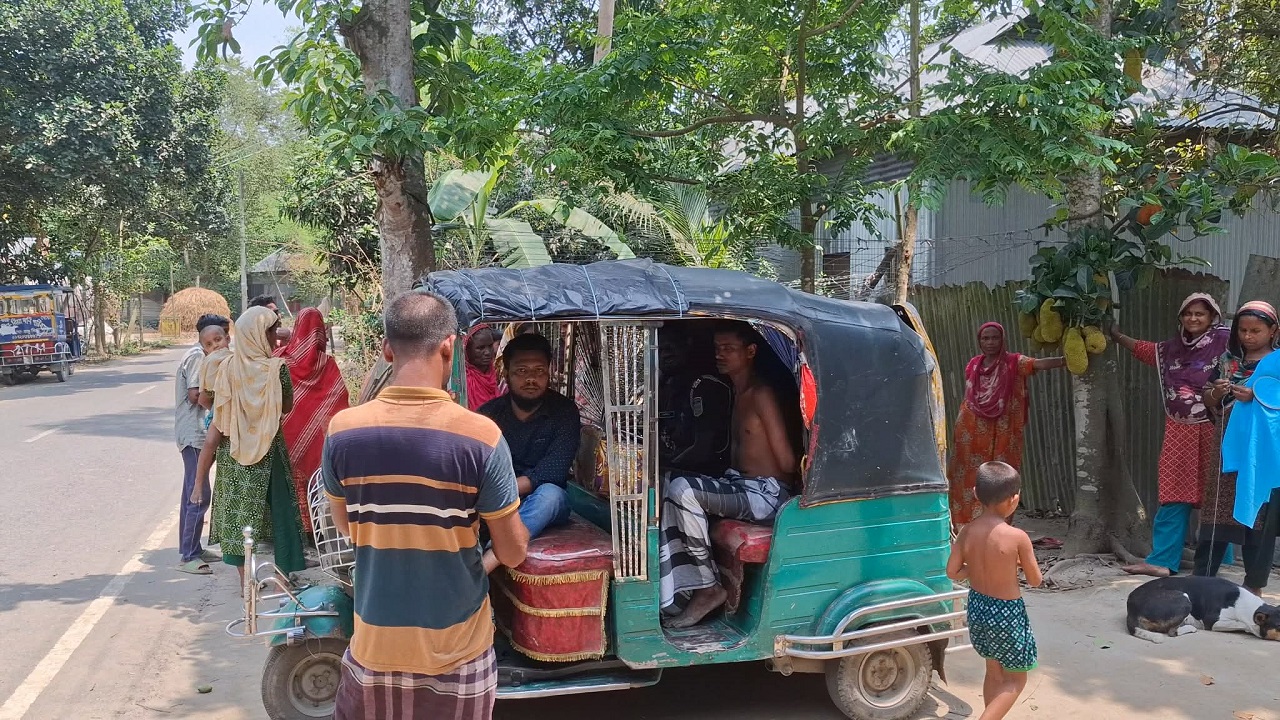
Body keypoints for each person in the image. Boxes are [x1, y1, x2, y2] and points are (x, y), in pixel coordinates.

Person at [324, 291, 528, 720]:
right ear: (450, 346)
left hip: (374, 647)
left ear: (385, 350)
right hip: (457, 652)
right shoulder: (482, 436)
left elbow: (346, 524)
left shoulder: (343, 431)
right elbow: (511, 552)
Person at [659, 321, 798, 628]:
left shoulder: (761, 394)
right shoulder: (737, 391)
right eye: (717, 349)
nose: (720, 355)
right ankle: (676, 593)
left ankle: (709, 588)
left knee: (683, 489)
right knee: (666, 482)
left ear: (750, 352)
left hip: (767, 494)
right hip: (741, 485)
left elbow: (788, 461)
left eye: (729, 349)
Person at [1111, 293, 1230, 577]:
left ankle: (1223, 562)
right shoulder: (1170, 350)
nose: (1193, 319)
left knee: (1217, 496)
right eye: (1187, 314)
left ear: (1213, 316)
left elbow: (1257, 343)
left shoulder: (1227, 341)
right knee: (1175, 493)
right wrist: (1116, 336)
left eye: (1200, 313)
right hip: (1179, 431)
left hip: (1217, 428)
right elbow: (1144, 349)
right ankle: (1162, 561)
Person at [193, 306, 306, 587]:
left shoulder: (224, 368)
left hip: (234, 453)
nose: (275, 339)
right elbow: (287, 405)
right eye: (271, 332)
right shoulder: (276, 370)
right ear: (257, 335)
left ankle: (247, 583)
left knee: (238, 513)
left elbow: (209, 400)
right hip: (269, 449)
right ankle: (283, 576)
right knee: (280, 511)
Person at [947, 461, 1043, 720]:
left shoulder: (967, 531)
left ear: (976, 494)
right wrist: (1017, 563)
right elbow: (1035, 580)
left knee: (993, 669)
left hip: (978, 609)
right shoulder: (1017, 537)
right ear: (1015, 499)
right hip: (1007, 614)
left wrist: (976, 569)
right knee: (1016, 680)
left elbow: (953, 572)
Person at [477, 333, 577, 572]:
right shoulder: (488, 415)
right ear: (506, 373)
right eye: (522, 371)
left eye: (539, 371)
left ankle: (492, 559)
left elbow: (552, 471)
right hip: (496, 500)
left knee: (551, 494)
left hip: (543, 500)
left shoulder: (564, 412)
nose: (531, 379)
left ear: (549, 372)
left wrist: (498, 491)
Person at [1199, 301, 1280, 595]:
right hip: (1226, 444)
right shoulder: (1227, 361)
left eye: (1256, 330)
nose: (1248, 336)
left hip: (1263, 450)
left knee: (1258, 512)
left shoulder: (1277, 363)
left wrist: (1256, 397)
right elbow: (1207, 397)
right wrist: (1217, 392)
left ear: (1274, 331)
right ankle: (1204, 580)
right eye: (1243, 330)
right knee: (1216, 508)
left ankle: (1253, 585)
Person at [948, 322, 1065, 527]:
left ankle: (996, 525)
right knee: (966, 474)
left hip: (1003, 430)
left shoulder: (1014, 362)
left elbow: (1039, 364)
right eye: (985, 338)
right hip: (971, 428)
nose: (990, 342)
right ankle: (964, 525)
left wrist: (1066, 360)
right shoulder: (973, 364)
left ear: (1002, 340)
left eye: (995, 338)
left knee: (1001, 475)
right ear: (980, 341)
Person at [275, 308, 349, 536]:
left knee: (291, 486)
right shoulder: (328, 364)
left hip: (286, 437)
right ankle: (320, 532)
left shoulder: (279, 359)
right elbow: (339, 402)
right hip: (320, 442)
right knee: (320, 483)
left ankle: (297, 536)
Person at [173, 322, 229, 575]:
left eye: (220, 339)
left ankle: (192, 547)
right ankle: (189, 556)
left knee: (190, 493)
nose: (217, 345)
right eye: (211, 342)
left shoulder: (201, 355)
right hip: (195, 434)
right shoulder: (198, 357)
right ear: (203, 342)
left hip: (194, 433)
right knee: (198, 493)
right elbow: (197, 395)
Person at [657, 324, 732, 477]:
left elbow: (703, 449)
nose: (664, 355)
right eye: (659, 350)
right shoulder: (667, 385)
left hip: (700, 479)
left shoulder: (704, 386)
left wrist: (663, 467)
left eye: (670, 348)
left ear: (687, 344)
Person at [464, 324, 502, 411]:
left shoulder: (492, 375)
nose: (488, 352)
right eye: (480, 348)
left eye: (490, 346)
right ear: (467, 350)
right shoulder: (464, 382)